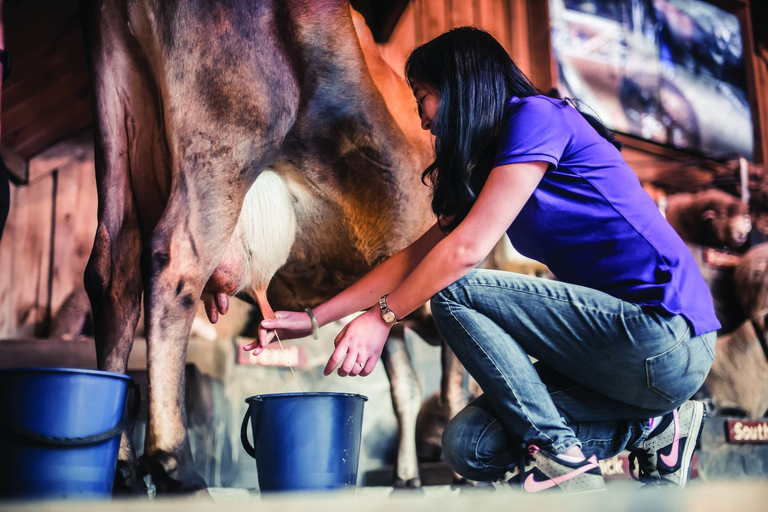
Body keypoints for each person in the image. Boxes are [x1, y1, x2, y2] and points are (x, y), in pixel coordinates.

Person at [244, 27, 719, 492]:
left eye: (424, 97)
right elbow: (412, 257)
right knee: (469, 446)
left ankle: (557, 456)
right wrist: (314, 318)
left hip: (667, 335)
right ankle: (658, 428)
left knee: (452, 287)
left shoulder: (537, 117)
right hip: (617, 361)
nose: (423, 118)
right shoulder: (495, 165)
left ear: (460, 88)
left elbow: (464, 253)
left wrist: (382, 317)